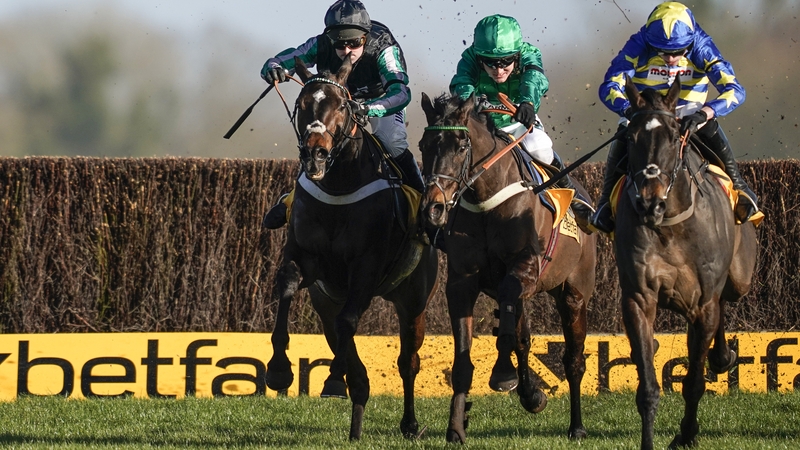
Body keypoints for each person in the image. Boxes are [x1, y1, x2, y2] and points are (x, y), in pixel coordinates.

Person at [592, 1, 758, 233]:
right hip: (646, 113)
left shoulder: (702, 45)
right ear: (651, 42)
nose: (671, 59)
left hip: (689, 110)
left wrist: (704, 113)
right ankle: (604, 203)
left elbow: (735, 90)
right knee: (625, 130)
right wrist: (630, 110)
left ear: (689, 43)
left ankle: (739, 186)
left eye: (678, 52)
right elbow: (610, 86)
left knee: (709, 126)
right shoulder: (638, 44)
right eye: (663, 52)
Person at [260, 0, 423, 229]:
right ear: (331, 39)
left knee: (393, 142)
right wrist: (274, 68)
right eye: (339, 44)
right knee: (316, 140)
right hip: (338, 102)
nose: (347, 51)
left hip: (380, 100)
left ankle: (423, 204)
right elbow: (283, 60)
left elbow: (401, 92)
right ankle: (290, 201)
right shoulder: (320, 43)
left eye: (354, 43)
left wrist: (369, 108)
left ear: (365, 37)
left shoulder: (384, 48)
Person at [450, 14, 594, 232]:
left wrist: (528, 102)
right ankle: (439, 218)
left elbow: (534, 79)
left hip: (518, 122)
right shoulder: (469, 59)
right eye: (490, 63)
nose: (498, 70)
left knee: (540, 147)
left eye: (506, 62)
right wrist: (469, 101)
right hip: (482, 127)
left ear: (517, 55)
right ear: (479, 58)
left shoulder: (529, 54)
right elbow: (461, 83)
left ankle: (574, 199)